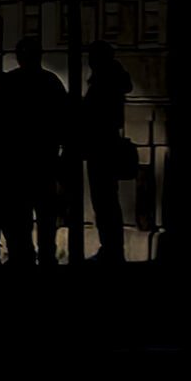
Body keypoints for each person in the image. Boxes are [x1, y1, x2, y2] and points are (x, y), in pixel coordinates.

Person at [0, 38, 72, 267]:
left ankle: (27, 254)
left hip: (21, 160)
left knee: (24, 212)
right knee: (40, 212)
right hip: (39, 158)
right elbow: (64, 121)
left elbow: (2, 122)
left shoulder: (14, 82)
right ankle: (41, 254)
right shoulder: (49, 82)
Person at [78, 41, 135, 263]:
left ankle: (110, 248)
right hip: (104, 145)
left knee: (104, 200)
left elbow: (94, 115)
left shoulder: (104, 82)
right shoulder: (113, 80)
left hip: (101, 147)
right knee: (107, 200)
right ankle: (112, 247)